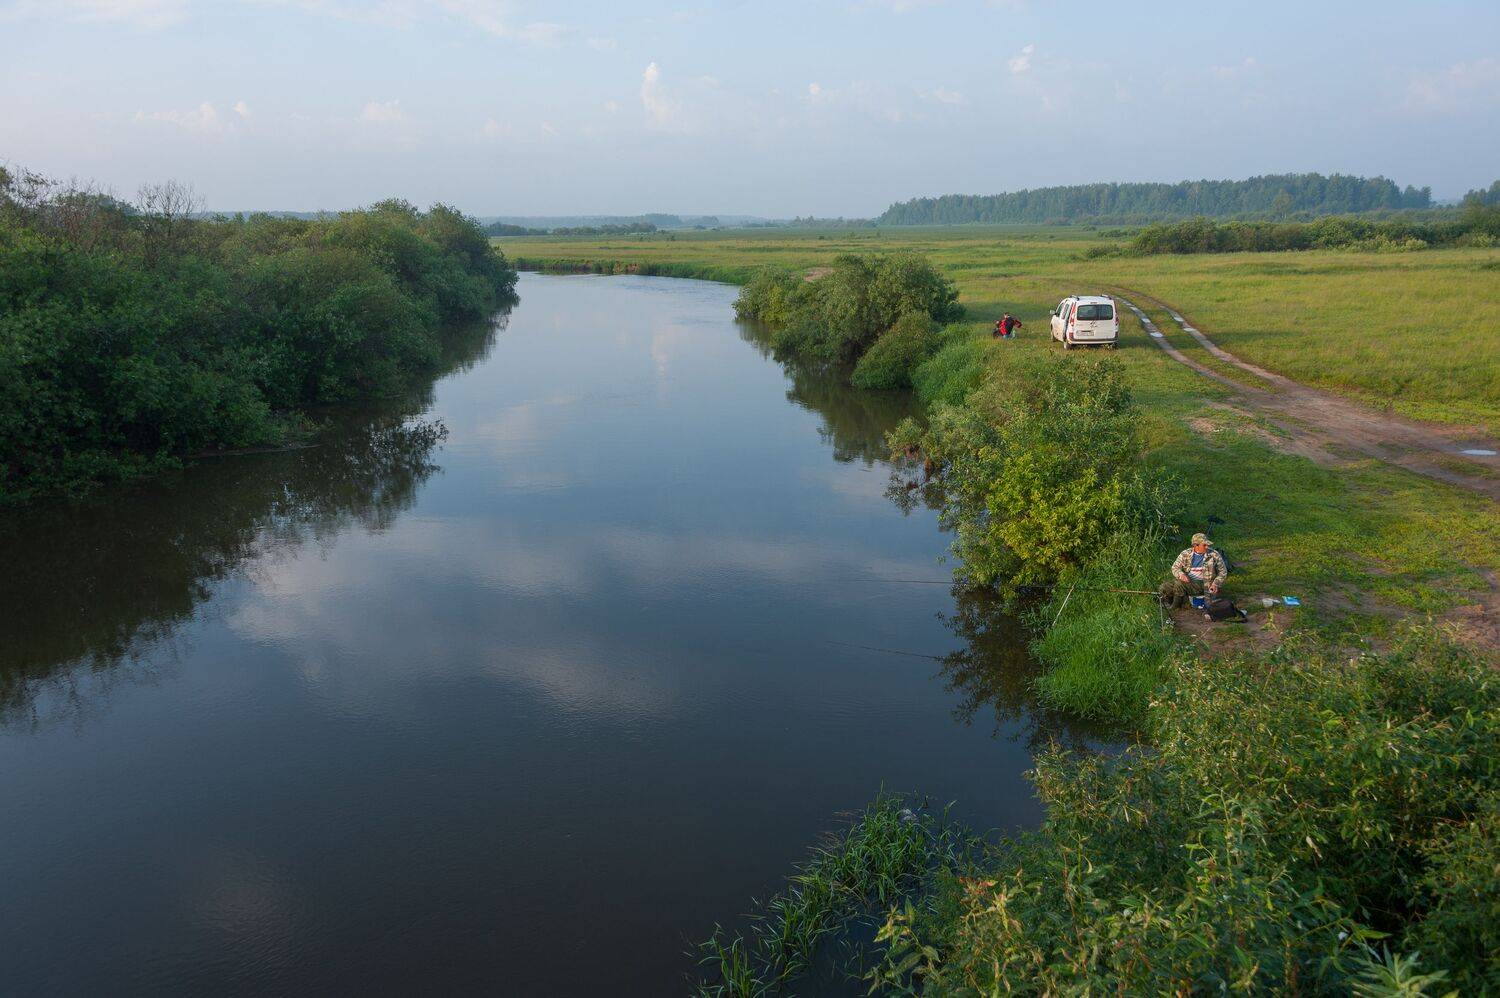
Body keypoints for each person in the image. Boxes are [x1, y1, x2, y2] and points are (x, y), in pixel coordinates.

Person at [1159, 532, 1228, 608]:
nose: (1207, 547)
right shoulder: (1185, 554)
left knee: (1179, 584)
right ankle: (1170, 603)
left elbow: (1223, 572)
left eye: (1207, 545)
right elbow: (1175, 567)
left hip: (1205, 584)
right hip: (1188, 582)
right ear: (1195, 545)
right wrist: (1181, 574)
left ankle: (1175, 607)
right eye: (1204, 545)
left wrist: (1215, 584)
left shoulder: (1214, 554)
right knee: (1164, 586)